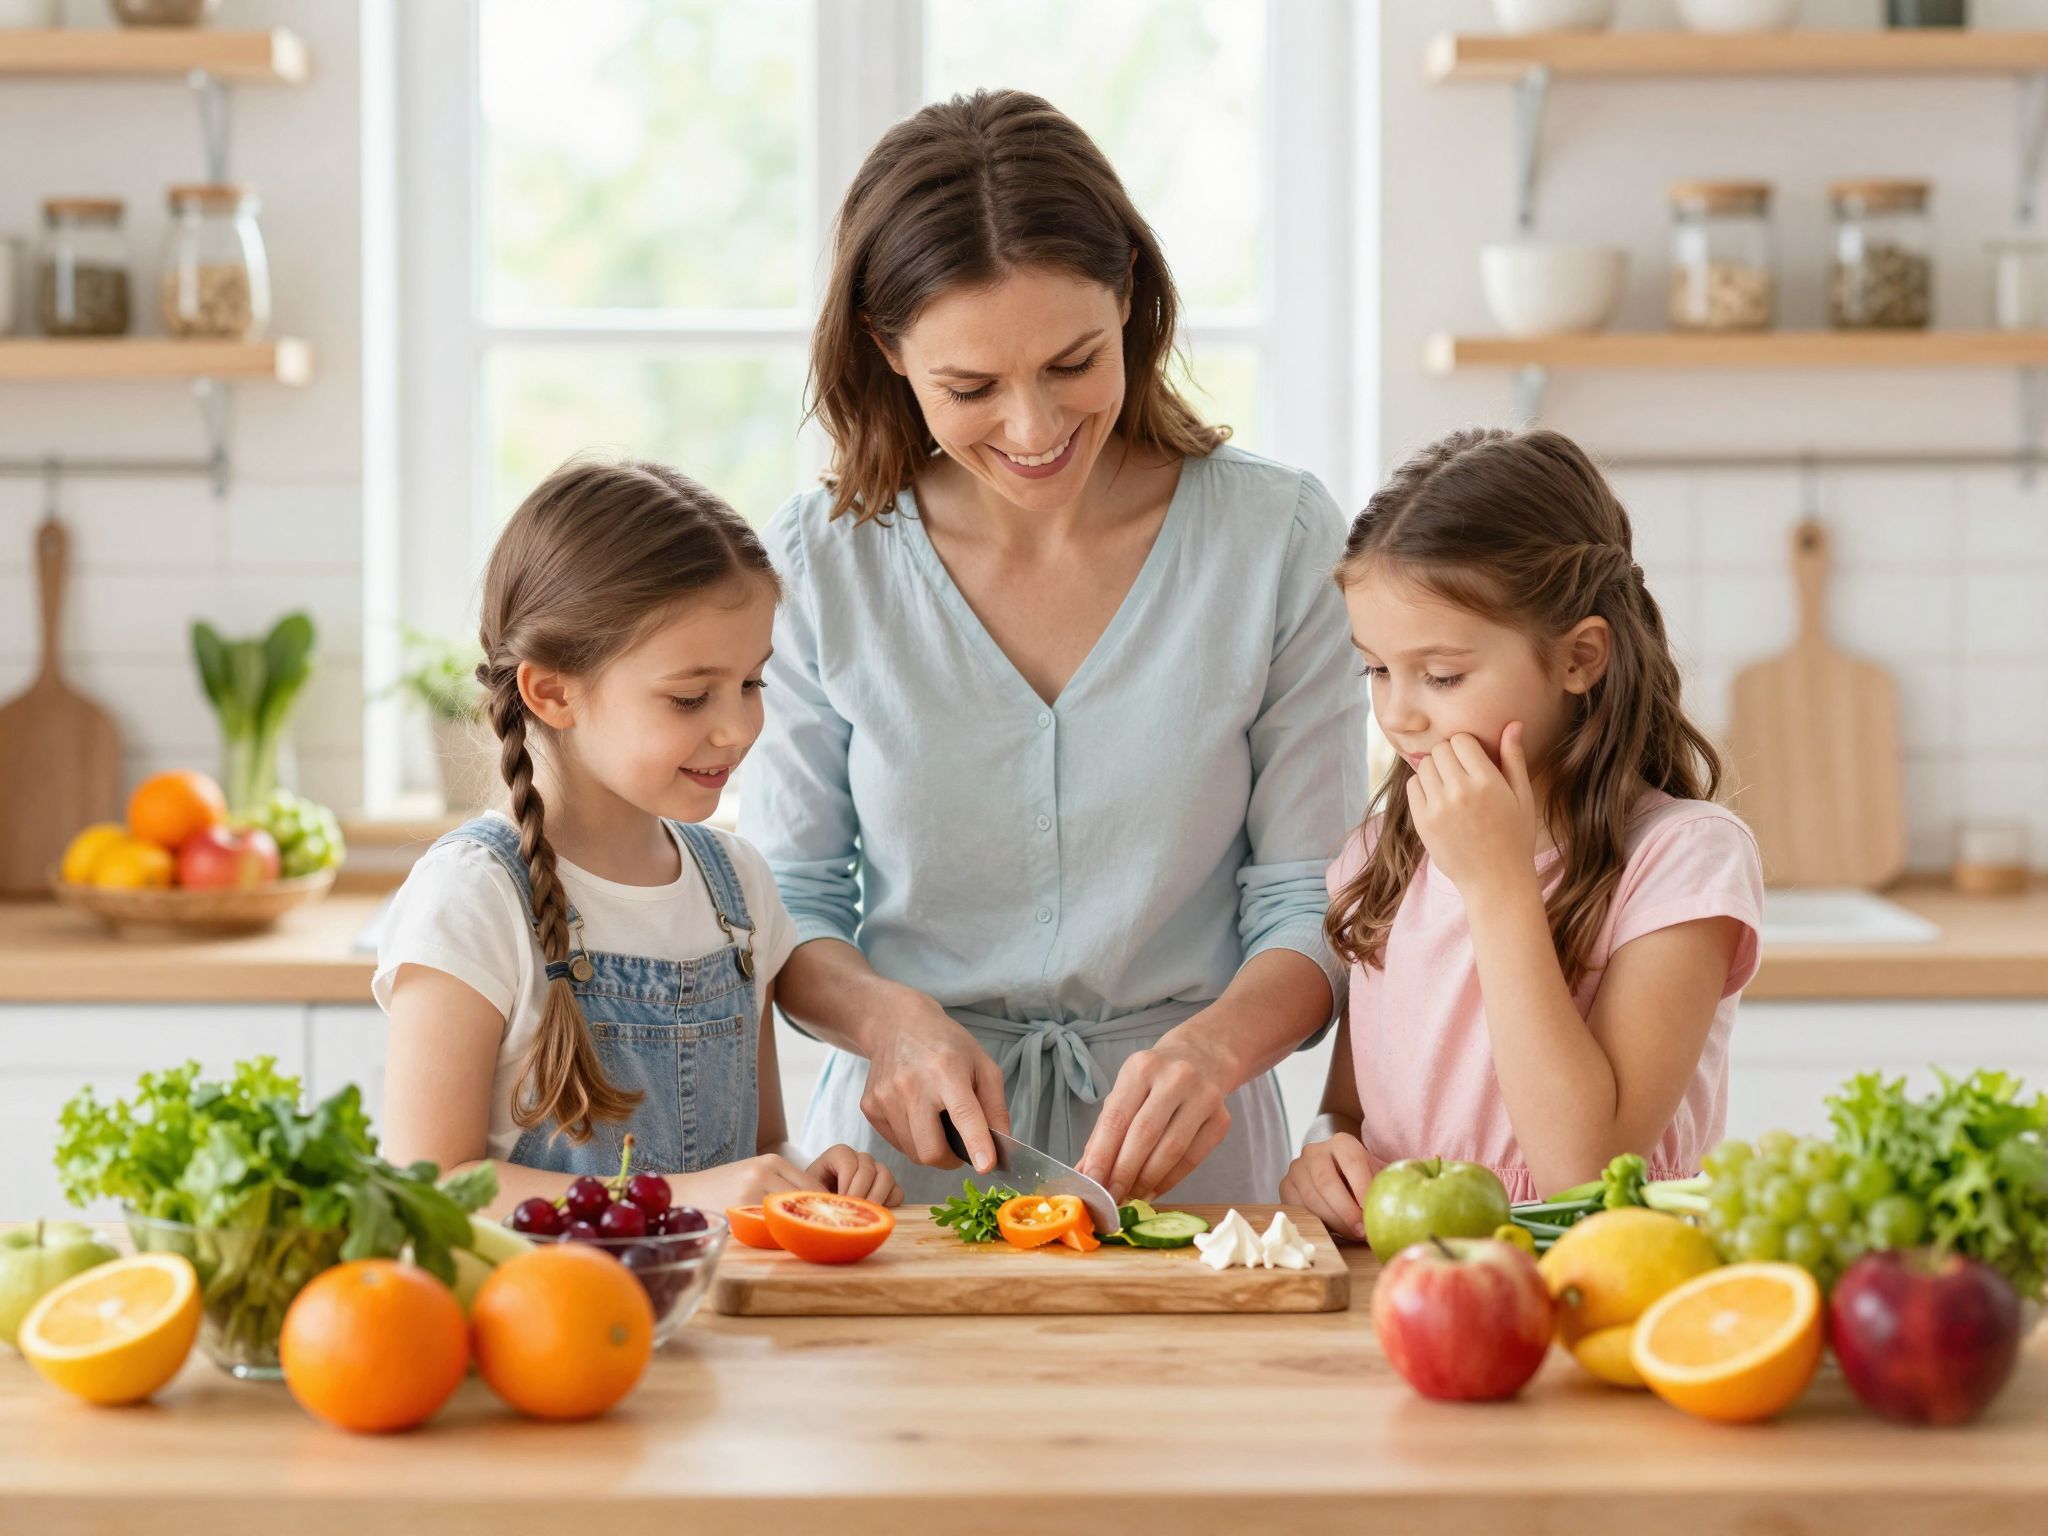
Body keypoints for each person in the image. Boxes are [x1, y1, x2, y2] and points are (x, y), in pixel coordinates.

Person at [740, 89, 1366, 1205]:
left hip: (1190, 1166)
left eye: (1072, 363)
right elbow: (790, 903)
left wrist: (1213, 1050)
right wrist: (887, 1023)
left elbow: (1307, 905)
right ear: (887, 350)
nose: (1032, 431)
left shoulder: (1274, 541)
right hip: (901, 1178)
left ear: (1128, 296)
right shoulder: (818, 564)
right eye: (970, 388)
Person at [375, 457, 899, 1216]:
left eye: (753, 683)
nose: (741, 727)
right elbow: (432, 1186)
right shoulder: (474, 898)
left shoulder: (738, 888)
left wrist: (806, 1177)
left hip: (713, 1325)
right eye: (690, 697)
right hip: (542, 1325)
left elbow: (753, 1157)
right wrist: (682, 1197)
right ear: (552, 691)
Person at [1281, 427, 1763, 1236]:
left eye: (1441, 675)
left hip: (1601, 1288)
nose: (1398, 711)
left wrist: (1498, 885)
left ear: (1579, 658)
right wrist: (1327, 1149)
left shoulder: (1682, 862)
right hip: (1409, 1289)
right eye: (1376, 669)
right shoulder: (1382, 859)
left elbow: (1588, 1174)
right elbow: (1349, 1112)